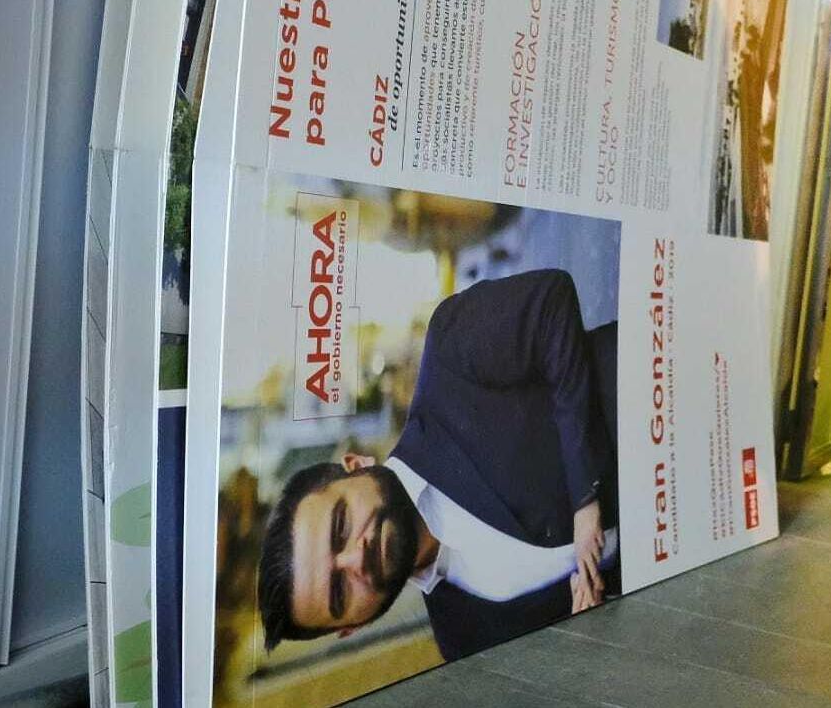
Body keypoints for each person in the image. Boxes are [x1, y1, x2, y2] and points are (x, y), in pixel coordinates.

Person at [256, 268, 620, 660]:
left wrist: (585, 497)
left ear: (356, 464)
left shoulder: (449, 353)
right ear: (352, 627)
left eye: (341, 526)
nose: (356, 558)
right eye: (339, 591)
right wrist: (592, 631)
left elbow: (550, 301)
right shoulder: (462, 646)